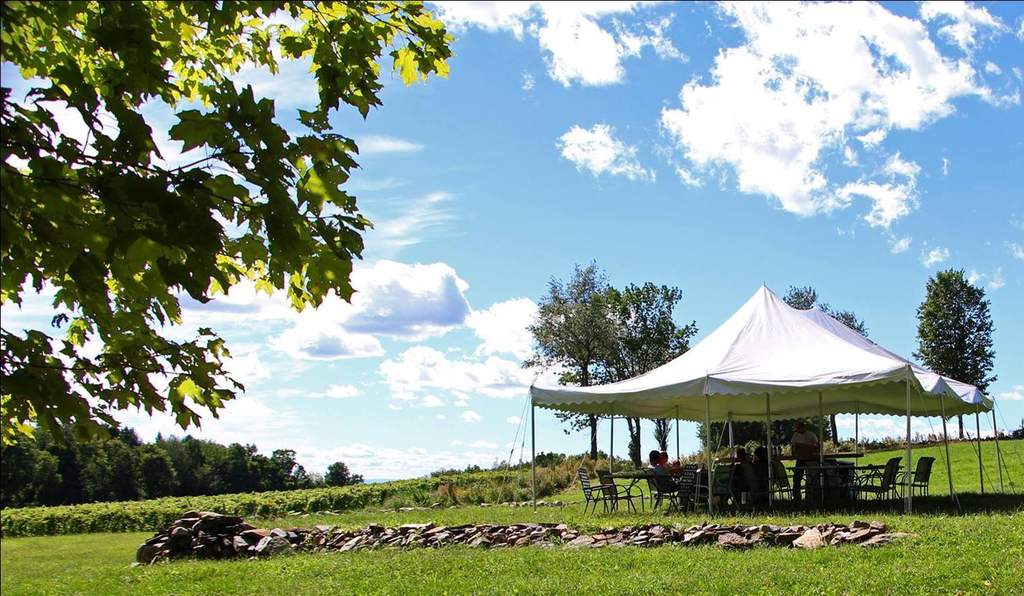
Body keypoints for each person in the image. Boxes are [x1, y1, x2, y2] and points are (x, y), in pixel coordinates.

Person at [789, 420, 819, 501]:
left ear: (802, 427)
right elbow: (792, 446)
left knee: (812, 478)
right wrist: (793, 453)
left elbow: (817, 446)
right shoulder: (795, 435)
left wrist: (808, 447)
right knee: (797, 478)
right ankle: (796, 496)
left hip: (810, 459)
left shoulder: (811, 435)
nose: (797, 430)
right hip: (800, 459)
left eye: (798, 428)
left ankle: (812, 496)